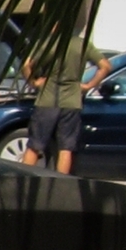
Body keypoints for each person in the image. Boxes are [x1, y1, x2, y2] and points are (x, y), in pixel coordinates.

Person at [24, 31, 112, 174]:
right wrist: (89, 85)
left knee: (35, 144)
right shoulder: (82, 44)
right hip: (72, 100)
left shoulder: (48, 44)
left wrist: (33, 82)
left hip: (48, 98)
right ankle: (60, 184)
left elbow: (26, 65)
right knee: (66, 148)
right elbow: (106, 66)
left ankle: (24, 179)